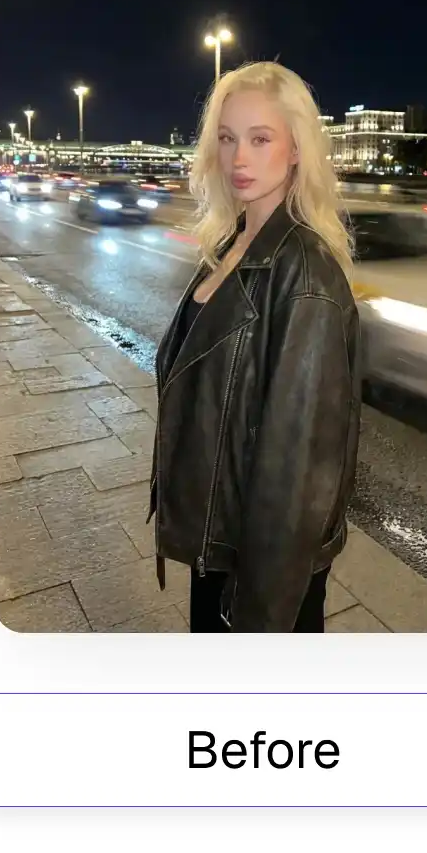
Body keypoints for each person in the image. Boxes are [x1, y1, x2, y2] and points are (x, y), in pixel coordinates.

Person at [146, 61, 360, 633]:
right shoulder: (232, 244)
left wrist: (259, 617)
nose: (239, 158)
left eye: (260, 139)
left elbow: (298, 476)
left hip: (261, 573)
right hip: (222, 546)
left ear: (296, 150)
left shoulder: (305, 275)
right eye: (226, 138)